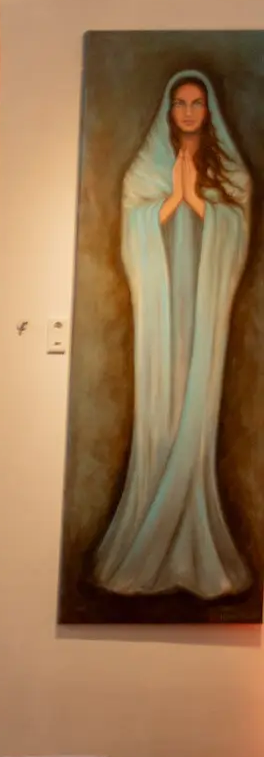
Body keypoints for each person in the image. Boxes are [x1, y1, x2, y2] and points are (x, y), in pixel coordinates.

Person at [94, 70, 252, 598]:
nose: (188, 111)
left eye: (196, 103)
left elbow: (236, 228)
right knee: (162, 403)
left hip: (203, 310)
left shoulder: (230, 168)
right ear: (168, 109)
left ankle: (192, 533)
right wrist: (172, 199)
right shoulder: (147, 166)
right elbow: (133, 226)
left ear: (209, 110)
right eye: (180, 103)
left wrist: (197, 200)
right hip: (161, 316)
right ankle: (148, 530)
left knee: (196, 403)